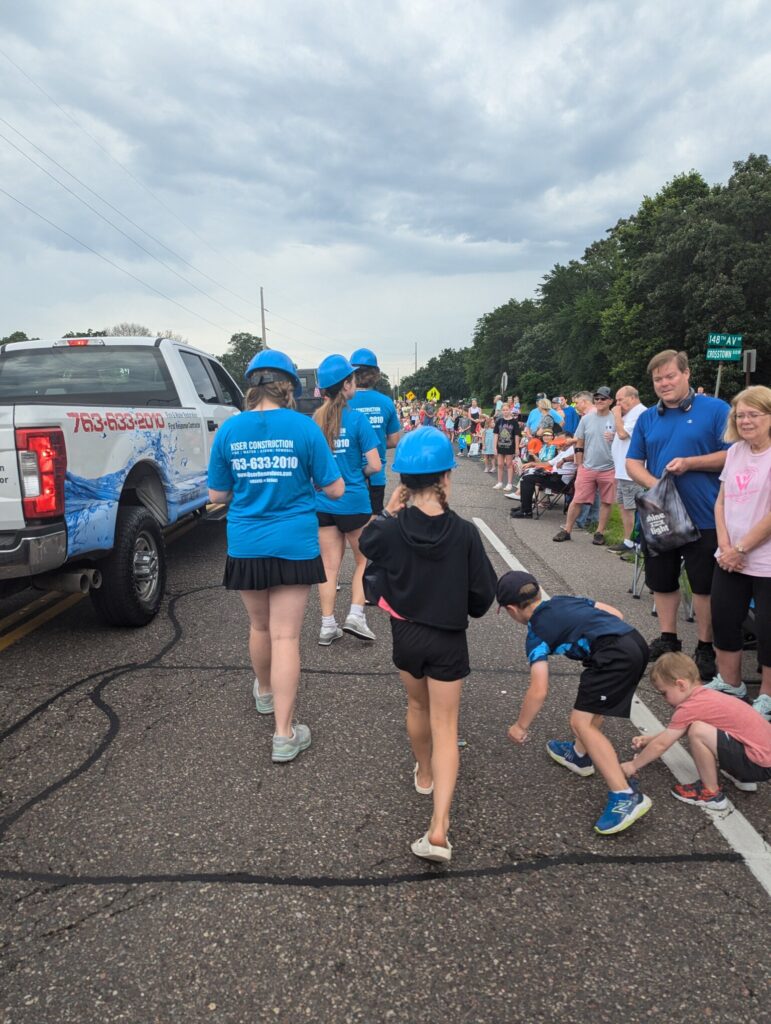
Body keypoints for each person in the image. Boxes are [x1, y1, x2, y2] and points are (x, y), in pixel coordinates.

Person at [359, 428, 496, 862]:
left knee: (416, 708)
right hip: (448, 640)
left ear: (405, 484)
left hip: (407, 635)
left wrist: (389, 509)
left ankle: (423, 772)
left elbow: (366, 541)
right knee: (447, 727)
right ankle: (439, 829)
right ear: (446, 479)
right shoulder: (465, 534)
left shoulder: (391, 530)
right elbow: (481, 598)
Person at [207, 350, 344, 764]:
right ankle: (284, 734)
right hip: (295, 542)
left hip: (246, 542)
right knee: (286, 636)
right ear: (288, 388)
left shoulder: (229, 430)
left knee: (260, 626)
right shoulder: (304, 427)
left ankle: (264, 692)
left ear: (251, 387)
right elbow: (335, 489)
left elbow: (217, 495)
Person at [499, 570, 652, 834]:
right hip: (634, 643)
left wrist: (520, 726)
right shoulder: (561, 600)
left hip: (612, 657)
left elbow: (539, 689)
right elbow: (616, 614)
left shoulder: (536, 634)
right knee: (593, 706)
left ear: (511, 609)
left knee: (581, 722)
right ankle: (579, 756)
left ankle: (624, 795)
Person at [627, 349, 731, 680]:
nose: (664, 383)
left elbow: (732, 456)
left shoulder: (716, 409)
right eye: (658, 379)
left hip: (703, 514)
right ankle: (669, 638)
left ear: (686, 375)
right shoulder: (647, 418)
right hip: (662, 514)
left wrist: (690, 463)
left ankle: (704, 645)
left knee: (703, 585)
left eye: (670, 376)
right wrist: (657, 485)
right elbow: (632, 463)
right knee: (661, 579)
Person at [621, 652, 771, 808]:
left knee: (698, 731)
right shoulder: (707, 695)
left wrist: (633, 765)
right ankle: (743, 777)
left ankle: (710, 793)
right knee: (700, 727)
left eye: (664, 693)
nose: (664, 699)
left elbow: (663, 744)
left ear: (681, 685)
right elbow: (675, 731)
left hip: (757, 762)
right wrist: (650, 739)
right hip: (762, 758)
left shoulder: (690, 707)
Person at [708, 385, 771, 718]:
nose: (745, 421)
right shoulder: (734, 452)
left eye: (754, 414)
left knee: (768, 629)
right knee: (724, 618)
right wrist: (725, 546)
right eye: (740, 415)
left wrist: (742, 547)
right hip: (730, 556)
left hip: (765, 560)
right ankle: (731, 682)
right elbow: (721, 501)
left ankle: (768, 697)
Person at [313, 354, 381, 644]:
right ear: (346, 386)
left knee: (329, 566)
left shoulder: (313, 422)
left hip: (323, 503)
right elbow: (376, 466)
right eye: (351, 379)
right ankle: (356, 615)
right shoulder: (357, 420)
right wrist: (356, 471)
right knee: (365, 559)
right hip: (354, 500)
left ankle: (328, 624)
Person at [552, 387, 616, 546]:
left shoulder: (616, 419)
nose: (600, 401)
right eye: (597, 398)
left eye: (603, 398)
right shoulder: (586, 419)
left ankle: (599, 532)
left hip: (609, 467)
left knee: (606, 502)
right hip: (587, 467)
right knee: (577, 499)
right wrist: (579, 464)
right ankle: (567, 530)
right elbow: (579, 441)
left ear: (610, 401)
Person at [348, 348, 401, 516]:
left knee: (346, 522)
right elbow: (393, 440)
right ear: (376, 374)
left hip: (347, 473)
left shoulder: (342, 402)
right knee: (372, 522)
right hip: (376, 475)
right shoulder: (386, 402)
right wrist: (373, 444)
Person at [607, 386, 647, 553]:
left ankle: (636, 543)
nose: (617, 404)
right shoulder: (629, 414)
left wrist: (616, 415)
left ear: (632, 398)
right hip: (623, 471)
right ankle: (628, 541)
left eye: (620, 399)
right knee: (624, 506)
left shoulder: (640, 413)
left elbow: (624, 434)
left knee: (633, 508)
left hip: (632, 472)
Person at [509, 438, 576, 517]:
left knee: (528, 479)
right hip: (555, 476)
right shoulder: (564, 451)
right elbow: (549, 463)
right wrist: (532, 464)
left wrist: (564, 460)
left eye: (561, 441)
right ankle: (525, 506)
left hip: (562, 481)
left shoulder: (574, 448)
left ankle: (526, 511)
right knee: (526, 473)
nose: (559, 445)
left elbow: (579, 457)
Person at [492, 403, 520, 491]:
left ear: (510, 410)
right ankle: (499, 482)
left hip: (510, 446)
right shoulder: (499, 421)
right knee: (500, 464)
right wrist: (494, 447)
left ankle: (509, 483)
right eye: (503, 410)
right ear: (501, 411)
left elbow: (516, 435)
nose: (505, 412)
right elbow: (496, 434)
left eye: (506, 410)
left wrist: (517, 448)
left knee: (509, 464)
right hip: (500, 445)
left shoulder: (514, 422)